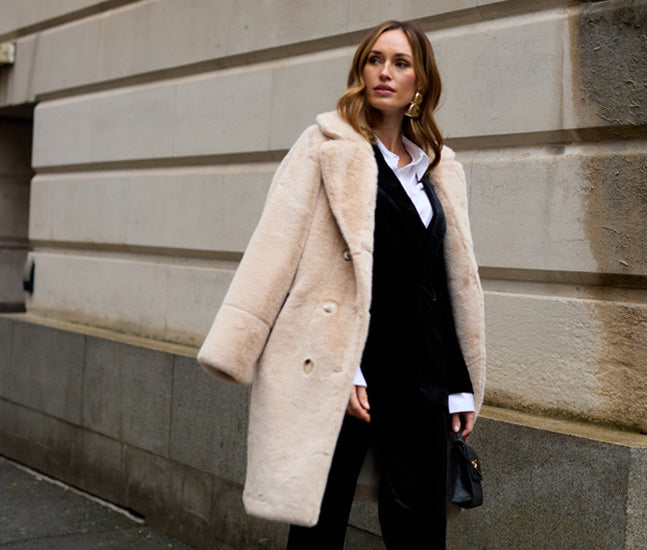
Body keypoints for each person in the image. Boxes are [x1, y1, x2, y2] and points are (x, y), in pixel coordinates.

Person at [197, 19, 485, 550]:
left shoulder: (438, 170)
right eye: (376, 59)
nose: (385, 72)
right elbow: (274, 247)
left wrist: (459, 382)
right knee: (320, 520)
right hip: (342, 365)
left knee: (420, 522)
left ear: (420, 82)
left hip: (423, 372)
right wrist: (343, 364)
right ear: (360, 69)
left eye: (401, 63)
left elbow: (444, 284)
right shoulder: (326, 146)